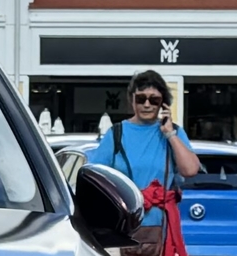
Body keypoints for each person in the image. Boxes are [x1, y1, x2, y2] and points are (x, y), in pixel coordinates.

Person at [86, 69, 201, 226]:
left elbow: (190, 170)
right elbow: (95, 178)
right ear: (132, 100)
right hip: (122, 226)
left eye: (154, 100)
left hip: (161, 230)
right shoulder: (116, 134)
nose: (147, 105)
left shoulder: (174, 132)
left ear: (163, 104)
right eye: (141, 99)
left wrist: (170, 134)